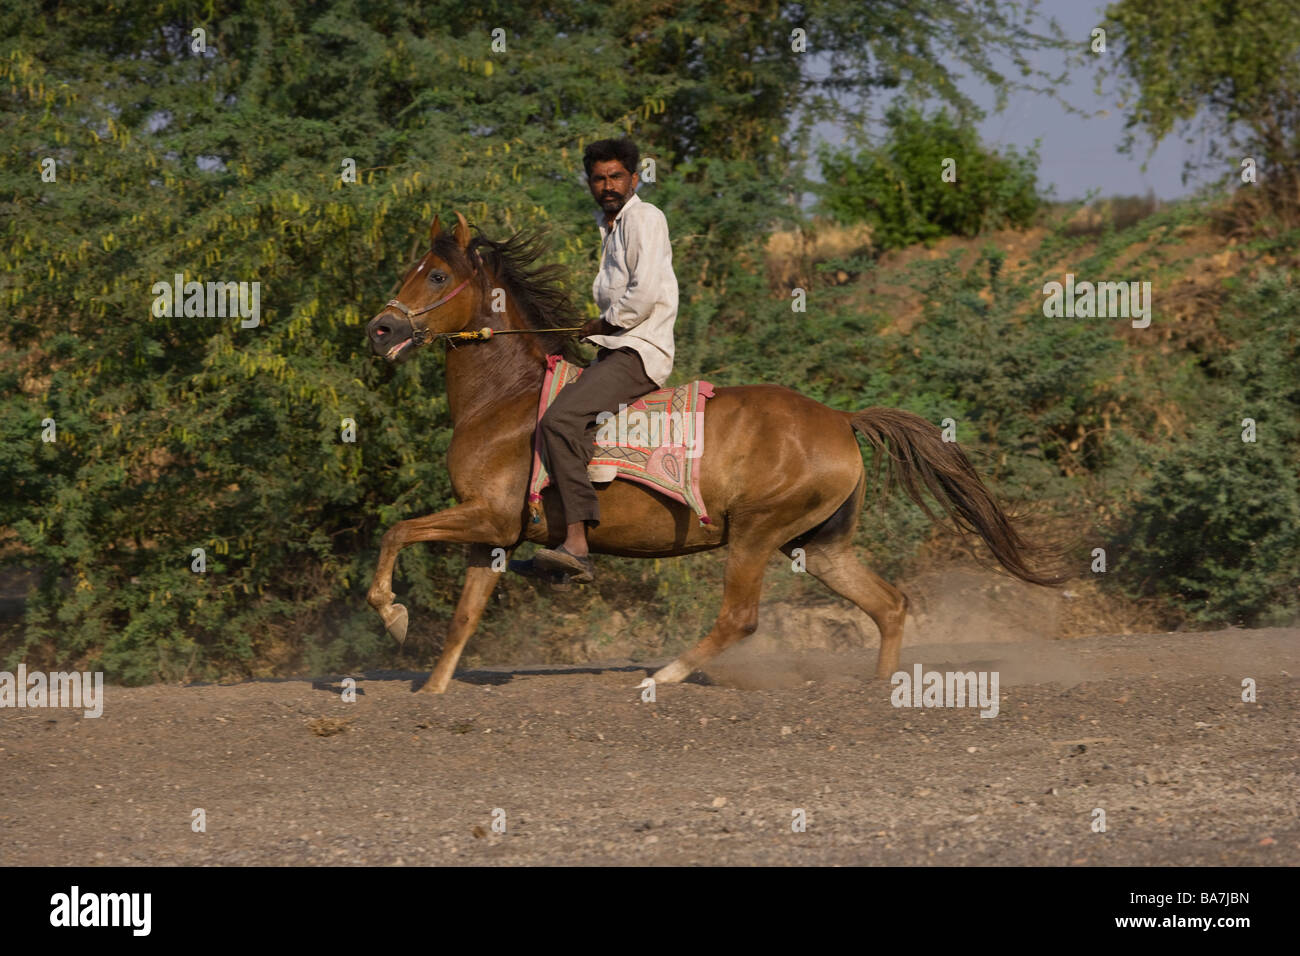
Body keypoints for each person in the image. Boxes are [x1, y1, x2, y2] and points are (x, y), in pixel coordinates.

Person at [532, 137, 678, 583]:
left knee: (558, 421)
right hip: (615, 347)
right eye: (599, 178)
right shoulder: (609, 224)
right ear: (590, 183)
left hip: (638, 351)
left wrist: (602, 324)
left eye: (616, 176)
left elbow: (645, 293)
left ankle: (576, 544)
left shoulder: (645, 218)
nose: (608, 185)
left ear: (635, 178)